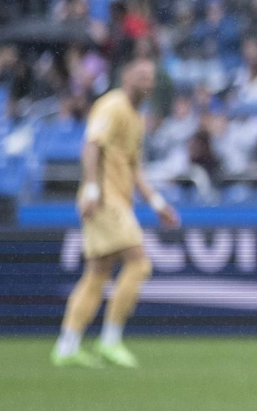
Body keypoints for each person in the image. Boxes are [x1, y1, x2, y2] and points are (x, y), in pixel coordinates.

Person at [52, 59, 181, 368]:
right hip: (104, 199)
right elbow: (91, 146)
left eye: (151, 78)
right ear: (126, 77)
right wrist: (93, 189)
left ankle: (67, 346)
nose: (147, 83)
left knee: (97, 273)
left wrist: (158, 203)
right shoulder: (112, 106)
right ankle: (110, 340)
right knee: (139, 263)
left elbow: (134, 167)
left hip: (117, 198)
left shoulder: (137, 118)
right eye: (141, 76)